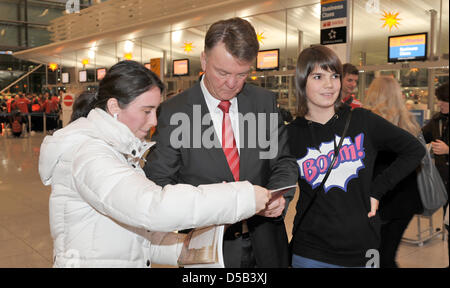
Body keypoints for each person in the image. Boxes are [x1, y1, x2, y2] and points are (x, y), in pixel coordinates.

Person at [38, 60, 271, 268]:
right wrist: (240, 197)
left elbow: (137, 236)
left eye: (156, 111)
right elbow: (151, 208)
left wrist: (186, 248)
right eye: (146, 111)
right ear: (114, 107)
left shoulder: (119, 152)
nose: (154, 121)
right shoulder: (90, 154)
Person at [144, 17, 298, 268]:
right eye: (222, 72)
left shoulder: (263, 102)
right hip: (207, 249)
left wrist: (281, 197)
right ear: (204, 60)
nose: (231, 83)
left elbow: (283, 161)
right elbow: (159, 185)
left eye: (242, 74)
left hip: (267, 244)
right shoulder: (174, 112)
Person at [287, 46, 425, 268]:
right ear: (302, 81)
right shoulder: (291, 134)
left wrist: (377, 190)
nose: (329, 84)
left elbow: (414, 150)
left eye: (334, 76)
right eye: (318, 76)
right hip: (310, 248)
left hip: (362, 247)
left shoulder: (362, 120)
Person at [363, 76, 424, 268]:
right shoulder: (410, 121)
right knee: (388, 254)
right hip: (405, 199)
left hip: (378, 198)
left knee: (372, 255)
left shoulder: (368, 122)